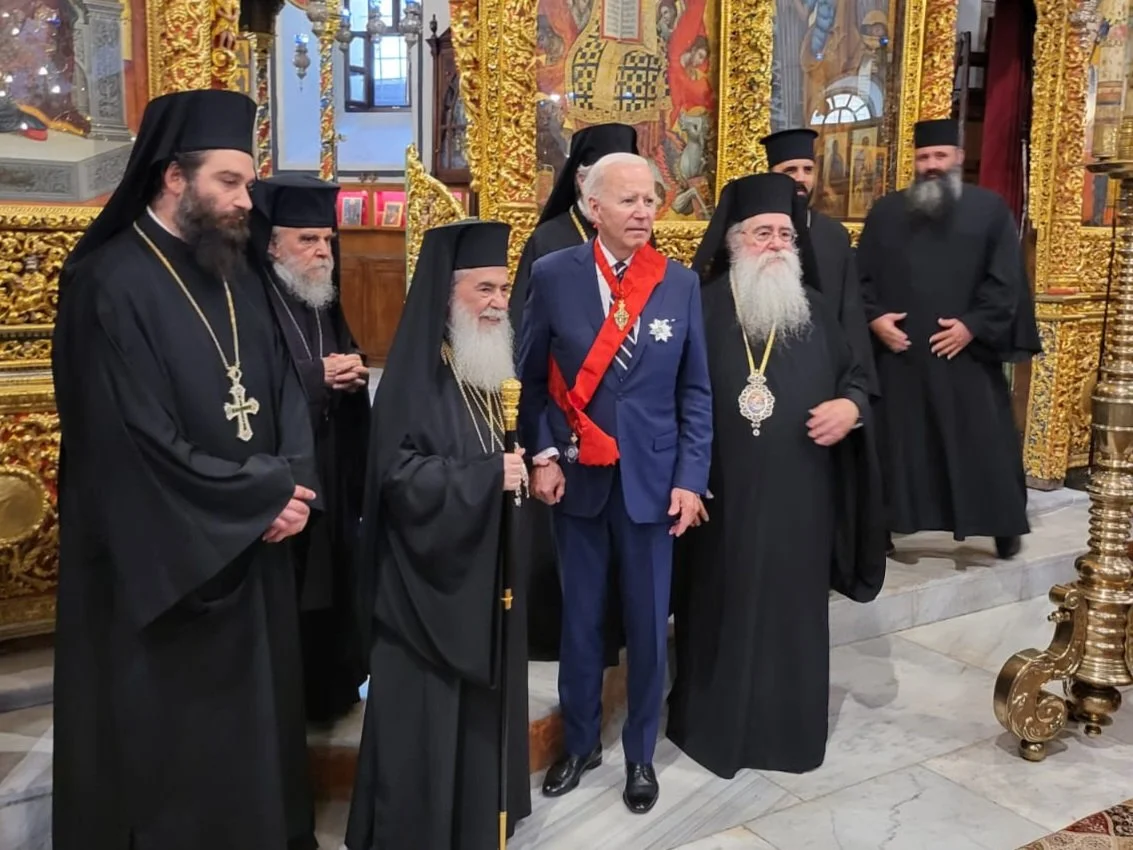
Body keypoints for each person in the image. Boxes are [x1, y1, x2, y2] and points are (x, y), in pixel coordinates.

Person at [51, 90, 320, 850]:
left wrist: (294, 484)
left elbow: (284, 388)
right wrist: (259, 498)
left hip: (256, 543)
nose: (245, 200)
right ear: (175, 177)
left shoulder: (234, 268)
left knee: (257, 736)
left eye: (247, 183)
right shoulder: (107, 283)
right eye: (228, 182)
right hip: (167, 563)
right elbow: (127, 442)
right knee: (177, 754)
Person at [667, 171, 887, 777]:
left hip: (802, 497)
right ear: (734, 239)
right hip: (721, 498)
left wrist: (851, 409)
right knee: (717, 605)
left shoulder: (815, 309)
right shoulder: (699, 305)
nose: (775, 245)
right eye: (762, 233)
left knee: (792, 613)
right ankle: (710, 726)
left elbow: (859, 379)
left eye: (785, 235)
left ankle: (789, 732)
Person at [518, 152, 713, 813]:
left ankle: (639, 755)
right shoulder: (553, 275)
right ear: (592, 207)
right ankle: (579, 745)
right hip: (577, 480)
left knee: (647, 626)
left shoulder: (678, 283)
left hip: (653, 487)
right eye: (628, 200)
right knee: (580, 623)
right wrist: (543, 455)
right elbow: (529, 378)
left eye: (650, 200)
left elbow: (695, 392)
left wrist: (690, 479)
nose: (643, 211)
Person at [346, 220, 532, 850]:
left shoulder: (489, 370)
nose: (498, 303)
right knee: (424, 720)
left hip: (482, 574)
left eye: (503, 288)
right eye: (484, 289)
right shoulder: (415, 375)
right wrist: (486, 478)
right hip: (422, 593)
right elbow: (396, 478)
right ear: (448, 296)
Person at [856, 118, 1041, 558]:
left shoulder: (989, 210)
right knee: (896, 448)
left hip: (967, 358)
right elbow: (859, 280)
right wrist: (875, 319)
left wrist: (971, 325)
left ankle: (1001, 524)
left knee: (984, 442)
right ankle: (886, 525)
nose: (932, 165)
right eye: (923, 157)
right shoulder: (885, 212)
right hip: (900, 359)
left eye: (940, 155)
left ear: (958, 157)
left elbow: (1006, 280)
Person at [512, 122, 640, 661]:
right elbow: (526, 343)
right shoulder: (549, 241)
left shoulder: (640, 240)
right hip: (564, 429)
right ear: (583, 182)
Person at [250, 174, 370, 724]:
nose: (323, 251)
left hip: (331, 458)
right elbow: (251, 382)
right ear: (273, 244)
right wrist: (317, 376)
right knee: (296, 586)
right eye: (308, 240)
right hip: (282, 466)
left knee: (334, 577)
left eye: (327, 240)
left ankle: (333, 691)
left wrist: (352, 371)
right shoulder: (251, 299)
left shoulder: (321, 296)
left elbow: (342, 350)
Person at [760, 127, 877, 394]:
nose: (801, 178)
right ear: (771, 174)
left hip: (824, 369)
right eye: (790, 170)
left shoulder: (834, 235)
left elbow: (850, 313)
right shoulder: (754, 232)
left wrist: (855, 391)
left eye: (808, 170)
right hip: (766, 368)